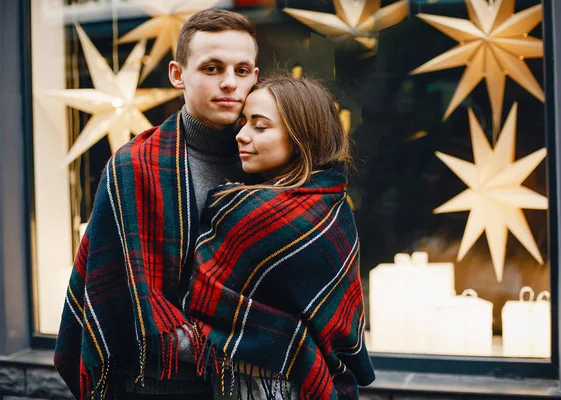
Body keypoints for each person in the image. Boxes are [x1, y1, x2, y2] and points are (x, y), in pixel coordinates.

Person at [54, 8, 259, 399]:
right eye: (212, 68)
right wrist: (220, 350)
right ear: (177, 74)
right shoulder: (135, 165)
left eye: (242, 70)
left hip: (257, 380)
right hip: (156, 381)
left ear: (255, 76)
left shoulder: (272, 165)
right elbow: (123, 294)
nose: (230, 83)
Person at [182, 75, 375, 400]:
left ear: (301, 136)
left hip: (275, 387)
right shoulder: (334, 202)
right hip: (274, 381)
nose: (241, 136)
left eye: (260, 126)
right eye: (243, 123)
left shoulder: (267, 214)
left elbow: (198, 295)